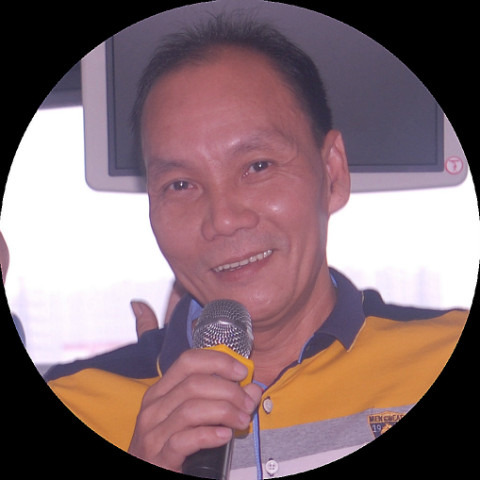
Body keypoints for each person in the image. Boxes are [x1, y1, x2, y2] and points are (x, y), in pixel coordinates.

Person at [44, 14, 468, 478]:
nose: (223, 219)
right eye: (180, 184)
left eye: (258, 166)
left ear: (332, 173)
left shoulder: (442, 353)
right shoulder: (76, 401)